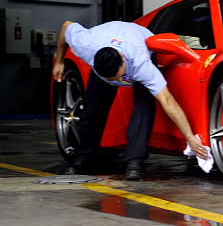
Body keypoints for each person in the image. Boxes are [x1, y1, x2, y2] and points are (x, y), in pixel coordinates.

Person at [53, 20, 209, 180]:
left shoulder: (141, 63)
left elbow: (168, 100)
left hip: (139, 43)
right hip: (106, 42)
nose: (121, 81)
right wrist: (59, 60)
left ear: (121, 58)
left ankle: (135, 162)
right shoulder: (85, 44)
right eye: (114, 79)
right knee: (92, 110)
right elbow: (66, 26)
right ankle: (83, 159)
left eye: (120, 76)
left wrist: (190, 138)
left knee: (144, 106)